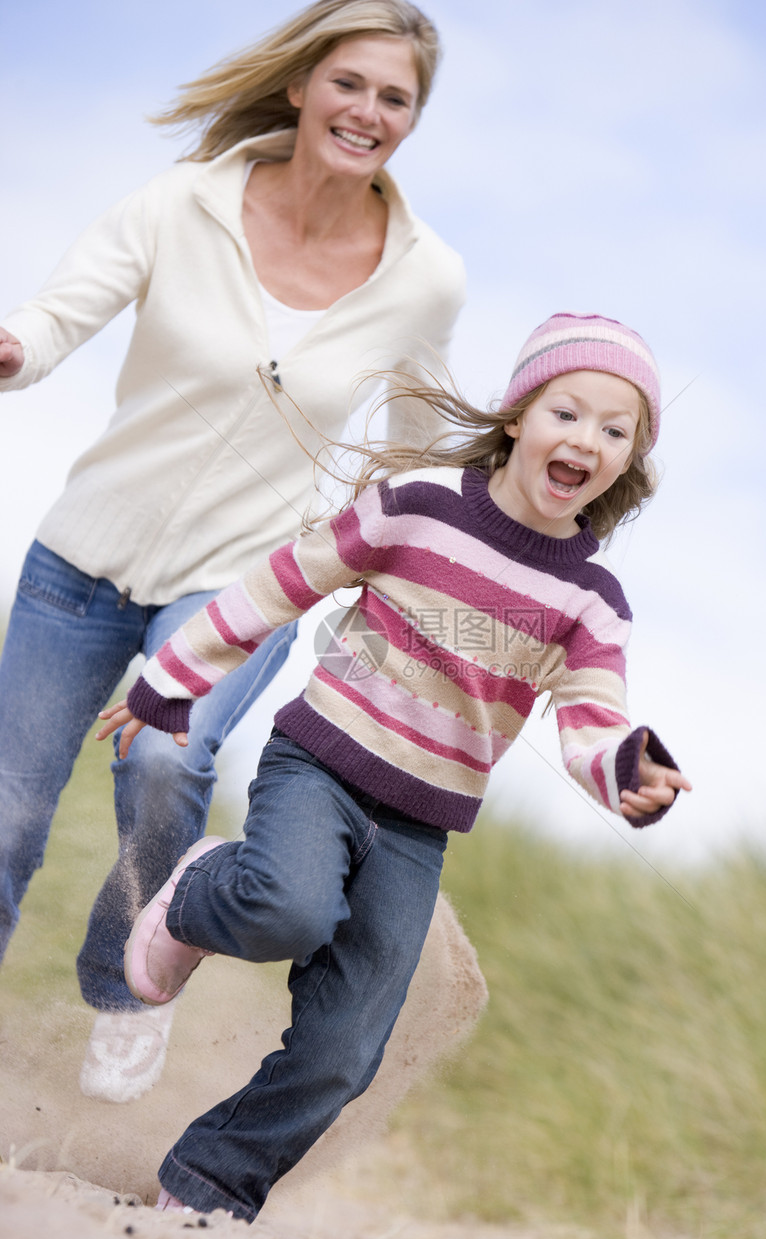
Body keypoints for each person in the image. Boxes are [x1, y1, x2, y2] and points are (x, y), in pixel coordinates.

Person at [97, 311, 693, 1220]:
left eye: (617, 432)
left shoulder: (591, 602)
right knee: (288, 905)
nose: (587, 440)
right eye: (567, 413)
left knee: (346, 1052)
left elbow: (589, 723)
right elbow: (281, 582)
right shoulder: (418, 503)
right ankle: (198, 891)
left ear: (628, 463)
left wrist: (629, 770)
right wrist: (169, 682)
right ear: (518, 417)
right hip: (322, 765)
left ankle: (210, 1184)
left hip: (419, 827)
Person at [0, 0, 470, 1104]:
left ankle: (125, 993)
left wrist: (420, 579)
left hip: (242, 583)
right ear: (303, 85)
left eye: (394, 97)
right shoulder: (183, 203)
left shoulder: (423, 275)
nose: (367, 111)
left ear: (411, 121)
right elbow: (58, 317)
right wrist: (14, 349)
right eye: (349, 83)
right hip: (80, 562)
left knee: (163, 759)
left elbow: (406, 450)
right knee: (9, 808)